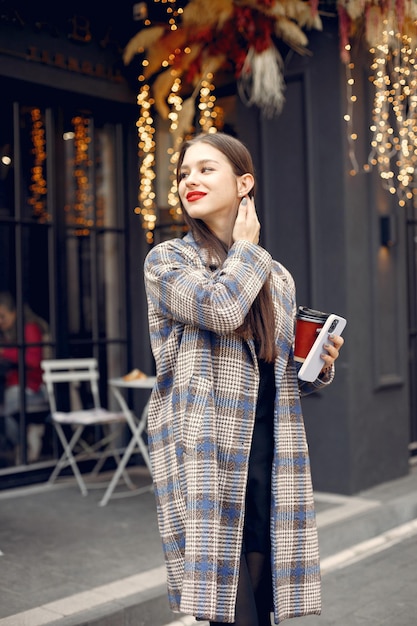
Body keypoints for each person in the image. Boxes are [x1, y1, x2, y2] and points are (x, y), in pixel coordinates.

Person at [143, 132, 344, 626]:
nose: (190, 179)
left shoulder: (277, 276)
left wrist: (320, 362)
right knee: (228, 608)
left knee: (260, 597)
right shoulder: (167, 261)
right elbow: (221, 307)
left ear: (244, 182)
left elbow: (286, 376)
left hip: (269, 453)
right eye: (185, 172)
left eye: (206, 169)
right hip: (206, 451)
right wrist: (247, 250)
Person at [0, 292, 49, 461]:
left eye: (2, 316)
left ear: (14, 312)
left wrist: (5, 352)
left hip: (33, 389)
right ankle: (23, 442)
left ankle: (24, 444)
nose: (0, 322)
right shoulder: (9, 334)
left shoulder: (30, 328)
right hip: (14, 385)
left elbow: (33, 360)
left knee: (6, 409)